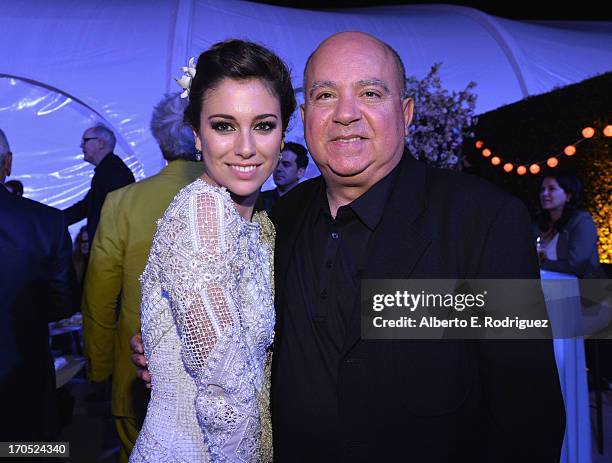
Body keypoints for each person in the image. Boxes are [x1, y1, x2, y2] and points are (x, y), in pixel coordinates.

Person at [133, 32, 565, 462]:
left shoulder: (482, 221)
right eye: (325, 96)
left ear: (407, 112)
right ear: (303, 117)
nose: (345, 115)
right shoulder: (279, 220)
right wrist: (173, 351)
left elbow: (528, 413)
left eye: (370, 93)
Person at [129, 39, 294, 462]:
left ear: (283, 133)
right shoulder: (204, 211)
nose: (245, 147)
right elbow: (226, 388)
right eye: (223, 125)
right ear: (195, 134)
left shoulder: (257, 223)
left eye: (263, 125)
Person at [82, 93, 204, 463]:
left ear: (158, 139)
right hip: (215, 380)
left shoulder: (123, 201)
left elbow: (99, 296)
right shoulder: (239, 197)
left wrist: (100, 368)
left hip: (138, 369)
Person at [0, 128, 79, 441]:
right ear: (8, 163)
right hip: (23, 372)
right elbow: (63, 303)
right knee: (30, 450)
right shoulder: (46, 223)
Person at [64, 124, 135, 241]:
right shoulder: (108, 170)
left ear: (100, 143)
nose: (81, 145)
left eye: (85, 140)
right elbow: (86, 206)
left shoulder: (113, 171)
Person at [536, 171, 604, 278]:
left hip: (583, 289)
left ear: (568, 195)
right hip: (547, 285)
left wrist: (539, 265)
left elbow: (577, 265)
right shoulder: (541, 223)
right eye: (542, 189)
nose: (544, 194)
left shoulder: (582, 221)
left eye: (551, 189)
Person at [260, 141, 309, 213]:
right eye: (276, 163)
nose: (279, 168)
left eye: (286, 164)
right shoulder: (260, 201)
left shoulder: (309, 204)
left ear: (300, 172)